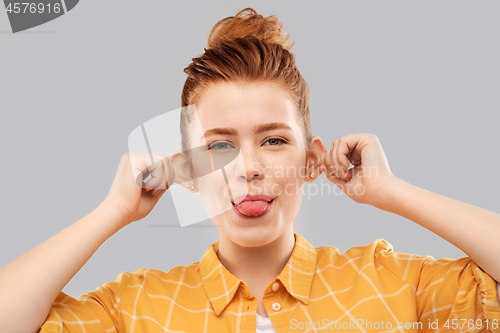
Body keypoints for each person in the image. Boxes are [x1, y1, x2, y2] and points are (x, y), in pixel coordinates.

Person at [0, 7, 499, 333]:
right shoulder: (136, 308)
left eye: (275, 140)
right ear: (188, 170)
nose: (250, 169)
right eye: (219, 148)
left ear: (311, 161)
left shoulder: (391, 285)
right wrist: (111, 212)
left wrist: (390, 192)